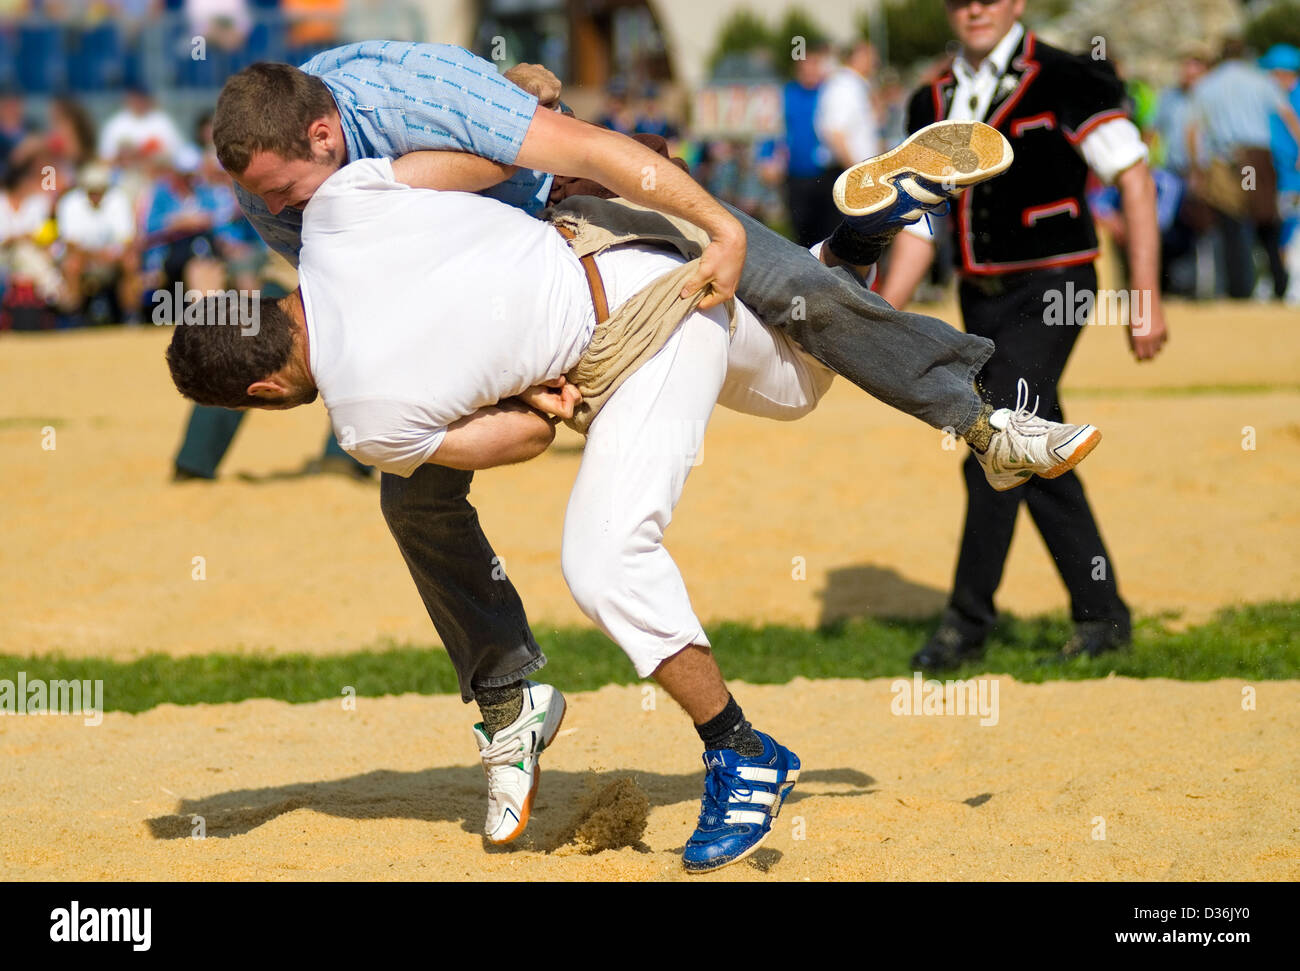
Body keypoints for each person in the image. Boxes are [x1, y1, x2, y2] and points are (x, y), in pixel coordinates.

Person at [208, 42, 1054, 848]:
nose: (282, 211)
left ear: (322, 134)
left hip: (608, 243)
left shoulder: (409, 95)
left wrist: (707, 223)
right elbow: (393, 278)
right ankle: (865, 249)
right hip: (593, 268)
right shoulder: (300, 192)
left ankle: (737, 748)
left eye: (287, 191)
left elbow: (572, 166)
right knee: (797, 381)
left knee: (602, 545)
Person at [878, 0, 1168, 669]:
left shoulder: (1069, 76)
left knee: (997, 442)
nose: (974, 7)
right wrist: (879, 314)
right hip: (980, 299)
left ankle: (965, 622)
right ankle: (1102, 614)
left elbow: (1135, 179)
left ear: (1017, 2)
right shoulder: (931, 97)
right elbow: (923, 223)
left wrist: (1145, 297)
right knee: (1035, 448)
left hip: (1054, 289)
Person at [1186, 37, 1300, 300]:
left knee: (1232, 222)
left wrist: (1196, 168)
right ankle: (1279, 283)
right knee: (1266, 220)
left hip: (1225, 160)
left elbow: (1192, 131)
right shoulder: (1260, 80)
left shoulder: (1207, 85)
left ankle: (1240, 290)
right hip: (1257, 158)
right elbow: (1288, 116)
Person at [780, 41, 838, 246]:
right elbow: (773, 129)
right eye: (806, 64)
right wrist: (767, 156)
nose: (811, 70)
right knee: (801, 234)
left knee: (828, 232)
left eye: (815, 64)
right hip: (796, 176)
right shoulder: (787, 93)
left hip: (826, 174)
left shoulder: (830, 93)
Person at [815, 40, 881, 172]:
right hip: (848, 174)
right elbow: (835, 134)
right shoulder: (844, 86)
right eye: (870, 55)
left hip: (859, 173)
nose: (876, 61)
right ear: (856, 57)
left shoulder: (856, 85)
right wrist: (856, 175)